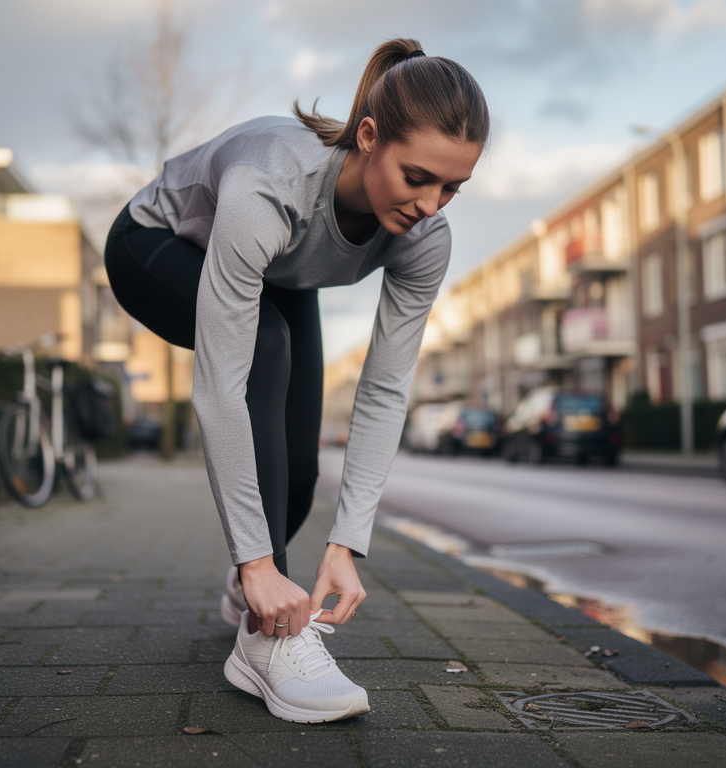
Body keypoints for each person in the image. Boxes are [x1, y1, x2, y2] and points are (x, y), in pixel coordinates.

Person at [103, 37, 488, 723]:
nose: (432, 204)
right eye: (417, 177)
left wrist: (347, 544)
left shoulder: (425, 238)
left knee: (301, 473)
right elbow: (220, 385)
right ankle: (264, 637)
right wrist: (258, 562)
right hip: (155, 243)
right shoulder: (268, 184)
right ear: (368, 137)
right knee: (265, 348)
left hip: (283, 269)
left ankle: (251, 586)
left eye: (452, 187)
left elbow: (383, 387)